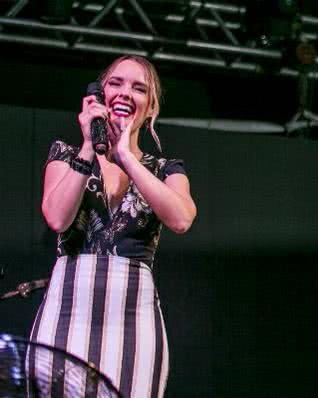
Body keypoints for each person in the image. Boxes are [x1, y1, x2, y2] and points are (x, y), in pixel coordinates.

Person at [29, 55, 197, 397]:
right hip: (68, 309)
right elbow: (57, 217)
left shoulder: (166, 169)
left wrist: (127, 159)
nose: (124, 93)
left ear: (150, 108)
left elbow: (181, 219)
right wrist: (90, 146)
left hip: (133, 318)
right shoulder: (66, 155)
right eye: (115, 83)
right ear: (99, 95)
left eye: (138, 88)